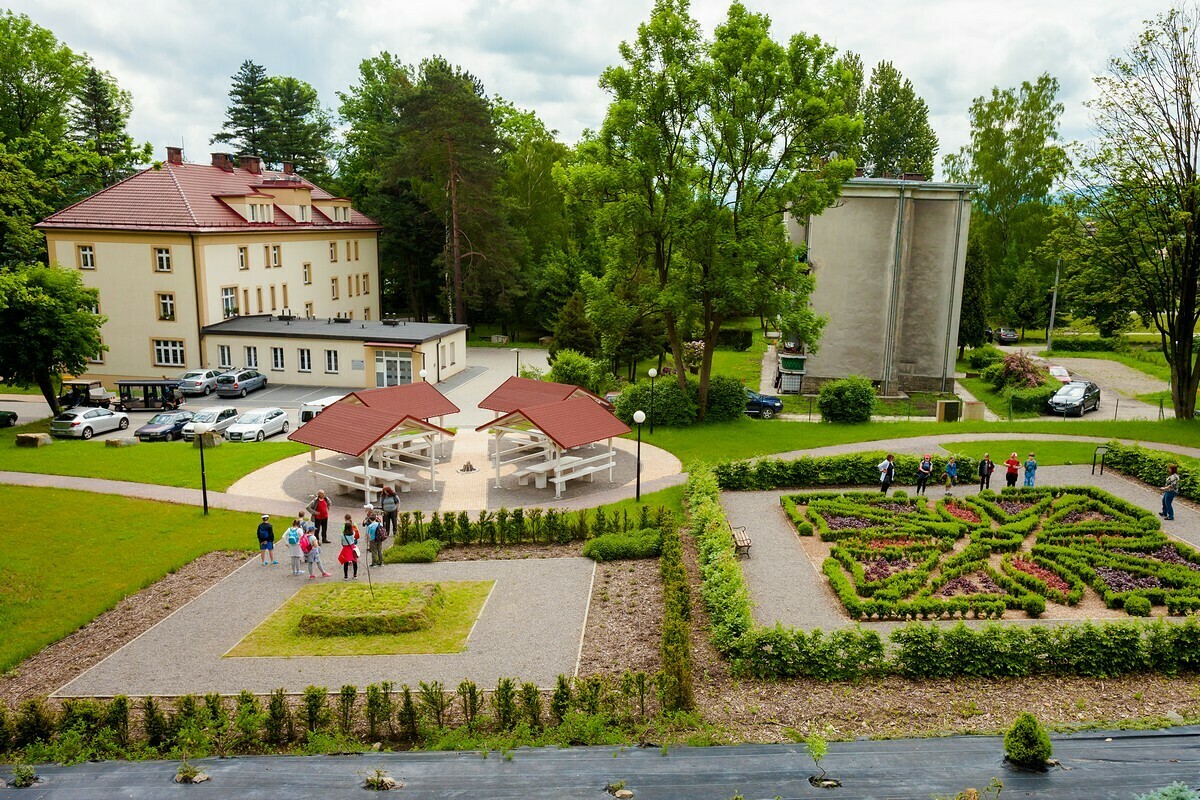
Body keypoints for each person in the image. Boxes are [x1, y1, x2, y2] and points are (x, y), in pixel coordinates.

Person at [337, 513, 360, 580]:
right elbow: (355, 536)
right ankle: (355, 575)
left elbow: (342, 542)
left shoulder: (342, 535)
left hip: (345, 548)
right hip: (352, 547)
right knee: (355, 562)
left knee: (345, 563)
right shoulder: (353, 533)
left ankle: (346, 576)